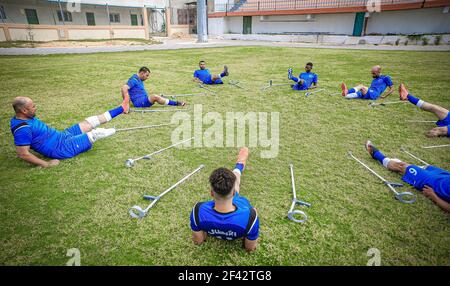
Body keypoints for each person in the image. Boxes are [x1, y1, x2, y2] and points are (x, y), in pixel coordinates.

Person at [10, 96, 125, 167]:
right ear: (24, 110)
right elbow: (23, 154)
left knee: (90, 121)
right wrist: (46, 164)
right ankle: (115, 129)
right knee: (96, 133)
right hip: (61, 148)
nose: (36, 108)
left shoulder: (27, 117)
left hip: (62, 136)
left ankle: (122, 108)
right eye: (33, 106)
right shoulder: (22, 129)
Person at [190, 147, 259, 251]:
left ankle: (239, 166)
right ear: (234, 192)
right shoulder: (251, 216)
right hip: (241, 207)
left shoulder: (198, 210)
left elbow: (198, 241)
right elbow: (250, 247)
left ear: (211, 193)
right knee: (236, 179)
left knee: (236, 179)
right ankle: (239, 165)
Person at [365, 140, 450, 213]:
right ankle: (396, 162)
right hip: (444, 175)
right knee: (421, 167)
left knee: (403, 167)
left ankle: (376, 154)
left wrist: (433, 196)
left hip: (433, 183)